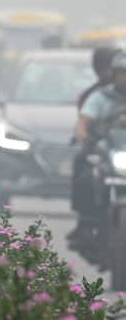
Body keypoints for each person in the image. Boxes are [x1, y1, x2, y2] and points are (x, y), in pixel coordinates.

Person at [69, 48, 124, 244]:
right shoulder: (99, 97)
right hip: (108, 151)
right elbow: (84, 121)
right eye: (121, 73)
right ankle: (86, 220)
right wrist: (82, 133)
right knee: (86, 172)